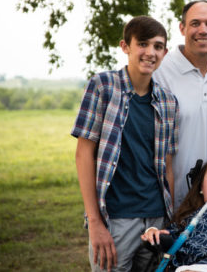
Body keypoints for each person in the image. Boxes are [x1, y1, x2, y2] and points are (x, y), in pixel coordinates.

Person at [72, 16, 178, 272]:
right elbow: (83, 154)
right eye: (143, 44)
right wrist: (95, 222)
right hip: (115, 218)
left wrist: (168, 223)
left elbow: (167, 166)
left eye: (158, 46)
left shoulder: (168, 101)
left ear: (165, 51)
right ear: (125, 46)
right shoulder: (103, 87)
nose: (150, 52)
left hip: (155, 217)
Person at [153, 0, 207, 210]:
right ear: (182, 28)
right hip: (157, 196)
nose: (203, 30)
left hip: (204, 199)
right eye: (195, 23)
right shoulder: (160, 70)